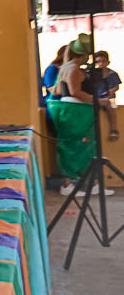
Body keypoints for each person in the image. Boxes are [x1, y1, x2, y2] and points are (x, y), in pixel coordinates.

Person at [51, 35, 115, 196]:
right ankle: (68, 185)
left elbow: (58, 91)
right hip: (76, 112)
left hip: (68, 110)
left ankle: (93, 183)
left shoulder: (65, 67)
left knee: (80, 147)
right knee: (77, 147)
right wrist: (98, 101)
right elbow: (75, 92)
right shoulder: (73, 68)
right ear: (83, 55)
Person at [92, 50, 120, 142]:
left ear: (108, 62)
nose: (100, 64)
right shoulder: (94, 74)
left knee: (111, 106)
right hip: (98, 98)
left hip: (109, 97)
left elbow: (116, 86)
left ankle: (114, 129)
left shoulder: (112, 74)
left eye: (103, 61)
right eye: (98, 62)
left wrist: (109, 92)